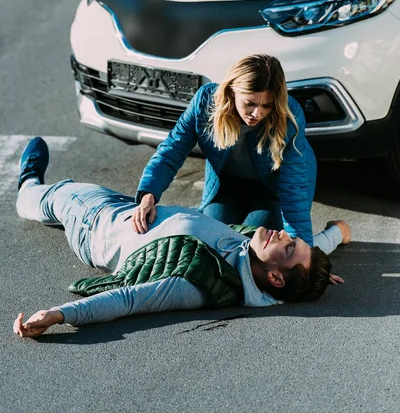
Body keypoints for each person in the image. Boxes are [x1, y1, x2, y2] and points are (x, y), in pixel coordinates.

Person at [13, 138, 350, 339]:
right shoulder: (251, 258)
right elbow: (309, 253)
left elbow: (127, 299)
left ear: (275, 277)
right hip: (133, 209)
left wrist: (58, 314)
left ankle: (28, 181)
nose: (283, 235)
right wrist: (335, 237)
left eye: (289, 247)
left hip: (94, 221)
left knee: (45, 199)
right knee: (60, 198)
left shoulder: (197, 284)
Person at [133, 54, 317, 246]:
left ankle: (336, 232)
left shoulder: (289, 116)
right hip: (224, 188)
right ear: (232, 91)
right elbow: (171, 151)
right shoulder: (204, 103)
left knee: (252, 245)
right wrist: (148, 196)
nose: (257, 113)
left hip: (271, 192)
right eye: (250, 103)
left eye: (267, 105)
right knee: (210, 242)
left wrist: (306, 259)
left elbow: (294, 190)